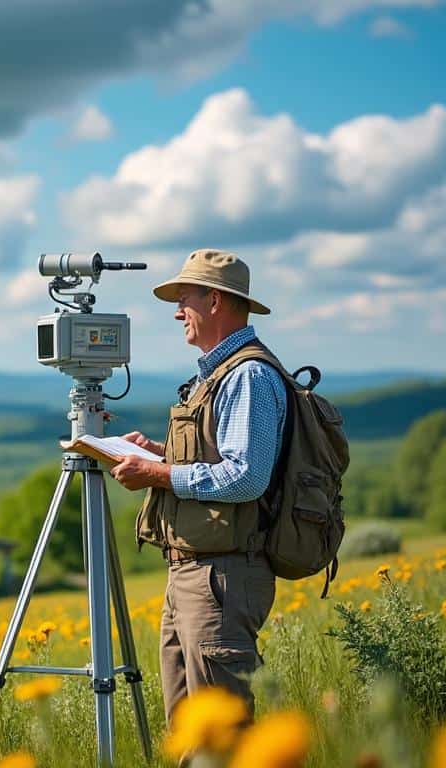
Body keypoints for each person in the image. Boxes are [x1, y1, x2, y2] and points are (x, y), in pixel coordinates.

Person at [107, 248, 287, 725]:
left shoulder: (247, 375)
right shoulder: (219, 375)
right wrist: (161, 455)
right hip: (196, 572)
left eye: (184, 296)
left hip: (221, 575)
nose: (177, 309)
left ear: (215, 301)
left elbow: (246, 476)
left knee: (221, 735)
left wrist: (158, 475)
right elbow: (222, 460)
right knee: (190, 731)